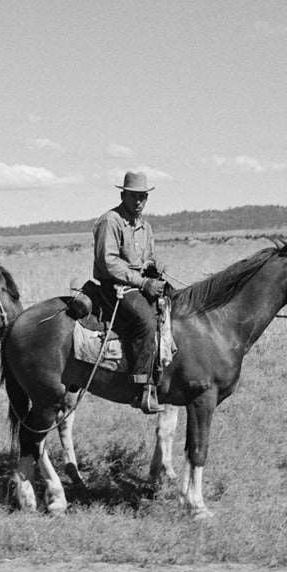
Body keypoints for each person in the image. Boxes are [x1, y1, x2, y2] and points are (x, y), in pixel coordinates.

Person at [83, 169, 170, 415]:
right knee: (145, 321)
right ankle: (141, 388)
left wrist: (154, 269)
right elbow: (108, 262)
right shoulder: (110, 221)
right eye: (134, 196)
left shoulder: (145, 226)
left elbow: (147, 259)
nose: (139, 201)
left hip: (140, 282)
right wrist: (142, 283)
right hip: (116, 288)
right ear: (123, 195)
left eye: (143, 196)